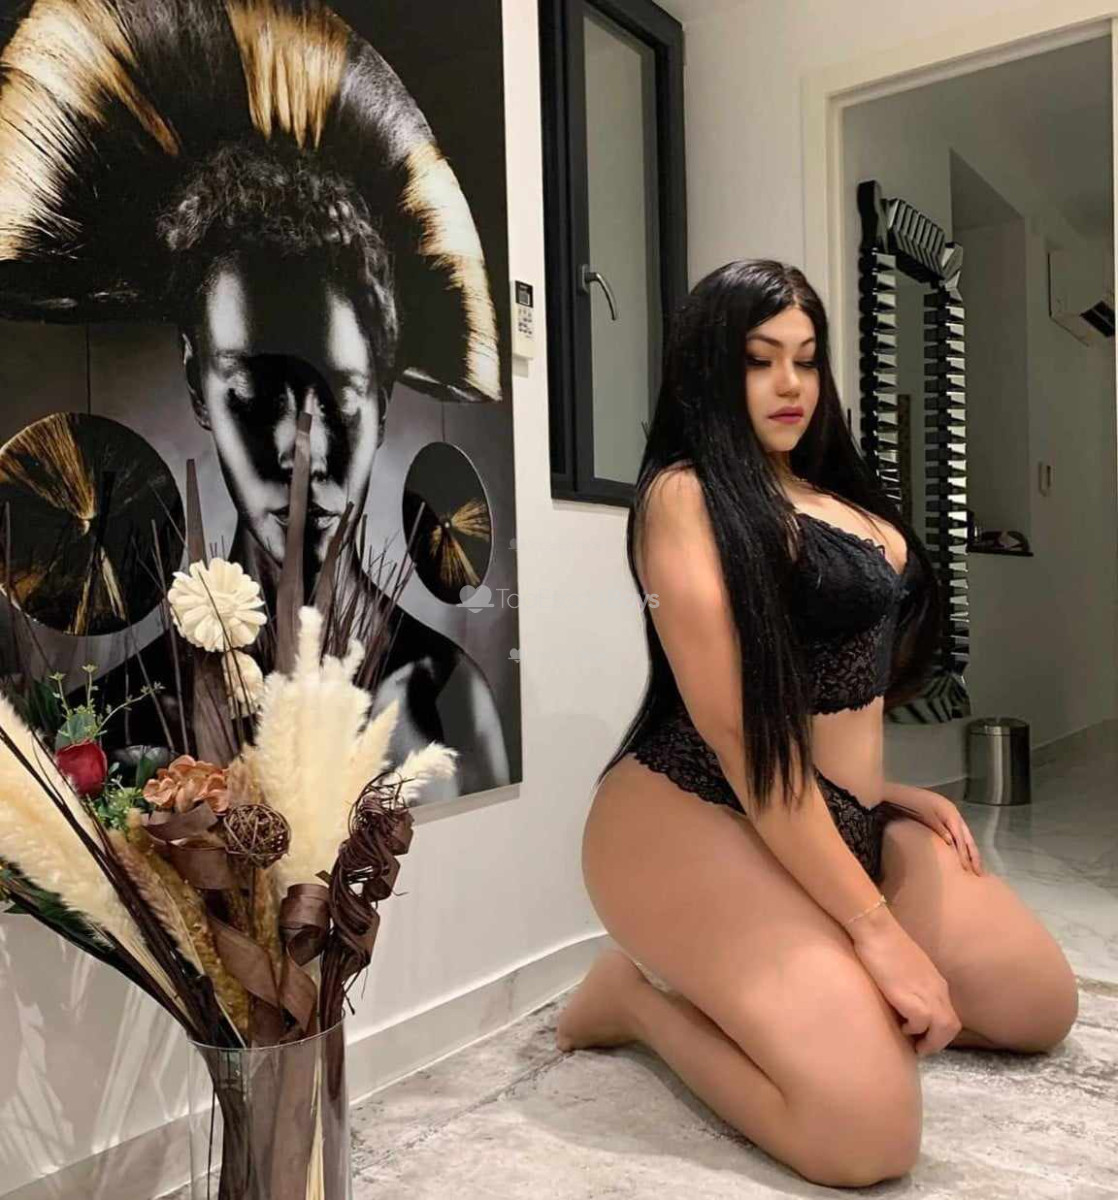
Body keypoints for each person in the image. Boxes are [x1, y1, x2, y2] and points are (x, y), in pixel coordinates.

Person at [555, 261, 1079, 1187]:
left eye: (806, 359)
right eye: (761, 361)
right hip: (698, 810)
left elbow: (839, 694)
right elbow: (740, 738)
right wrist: (875, 931)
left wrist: (886, 795)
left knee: (1040, 1006)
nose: (790, 384)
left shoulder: (830, 492)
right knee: (865, 1137)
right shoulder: (684, 497)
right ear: (712, 369)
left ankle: (818, 977)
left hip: (828, 812)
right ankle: (634, 1001)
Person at [0, 0, 513, 801]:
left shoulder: (445, 700)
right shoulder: (127, 724)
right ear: (197, 383)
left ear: (383, 399)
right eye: (252, 390)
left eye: (341, 393)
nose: (299, 445)